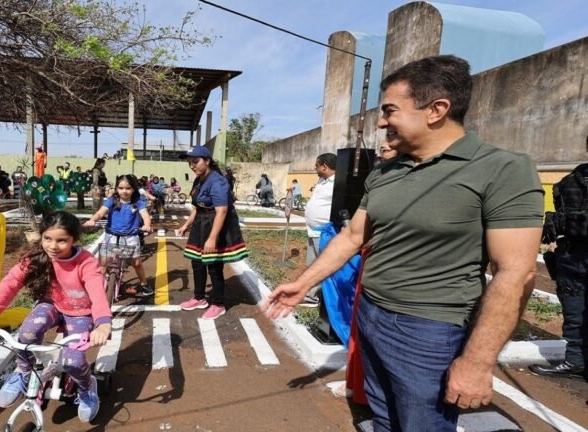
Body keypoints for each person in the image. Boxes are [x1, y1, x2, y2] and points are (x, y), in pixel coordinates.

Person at [263, 55, 544, 431]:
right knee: (383, 417)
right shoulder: (387, 171)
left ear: (436, 110)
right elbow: (352, 236)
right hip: (371, 315)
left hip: (429, 333)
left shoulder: (501, 169)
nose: (381, 122)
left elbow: (516, 273)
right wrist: (304, 282)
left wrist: (477, 362)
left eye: (390, 110)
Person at [0, 211, 110, 422]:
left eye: (62, 240)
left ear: (74, 240)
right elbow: (10, 283)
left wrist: (102, 324)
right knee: (26, 335)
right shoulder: (36, 258)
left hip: (81, 311)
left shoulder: (85, 263)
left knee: (73, 361)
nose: (53, 246)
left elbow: (98, 294)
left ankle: (87, 387)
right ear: (41, 236)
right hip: (52, 304)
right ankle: (23, 371)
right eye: (48, 238)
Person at [529, 161, 588, 380]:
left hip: (573, 257)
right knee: (574, 313)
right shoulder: (569, 182)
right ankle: (575, 362)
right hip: (572, 258)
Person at [177, 145, 248, 320]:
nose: (192, 166)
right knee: (197, 263)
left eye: (196, 162)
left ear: (207, 161)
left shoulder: (218, 181)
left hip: (215, 225)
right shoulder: (199, 179)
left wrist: (212, 239)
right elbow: (197, 207)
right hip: (201, 224)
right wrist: (186, 224)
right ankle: (199, 298)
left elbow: (222, 211)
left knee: (214, 266)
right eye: (190, 163)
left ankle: (218, 304)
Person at [83, 174, 153, 297]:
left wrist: (147, 224)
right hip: (111, 236)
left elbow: (145, 215)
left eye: (128, 188)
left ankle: (144, 284)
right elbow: (100, 213)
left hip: (130, 237)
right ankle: (96, 289)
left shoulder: (138, 201)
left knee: (136, 263)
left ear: (134, 189)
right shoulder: (112, 200)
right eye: (120, 188)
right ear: (116, 188)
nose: (124, 191)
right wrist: (93, 220)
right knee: (103, 265)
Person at [298, 153, 337, 308]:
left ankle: (314, 297)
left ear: (324, 166)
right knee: (312, 263)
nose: (315, 168)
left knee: (321, 265)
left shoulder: (337, 183)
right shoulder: (322, 181)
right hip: (313, 230)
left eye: (316, 165)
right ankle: (310, 294)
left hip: (324, 232)